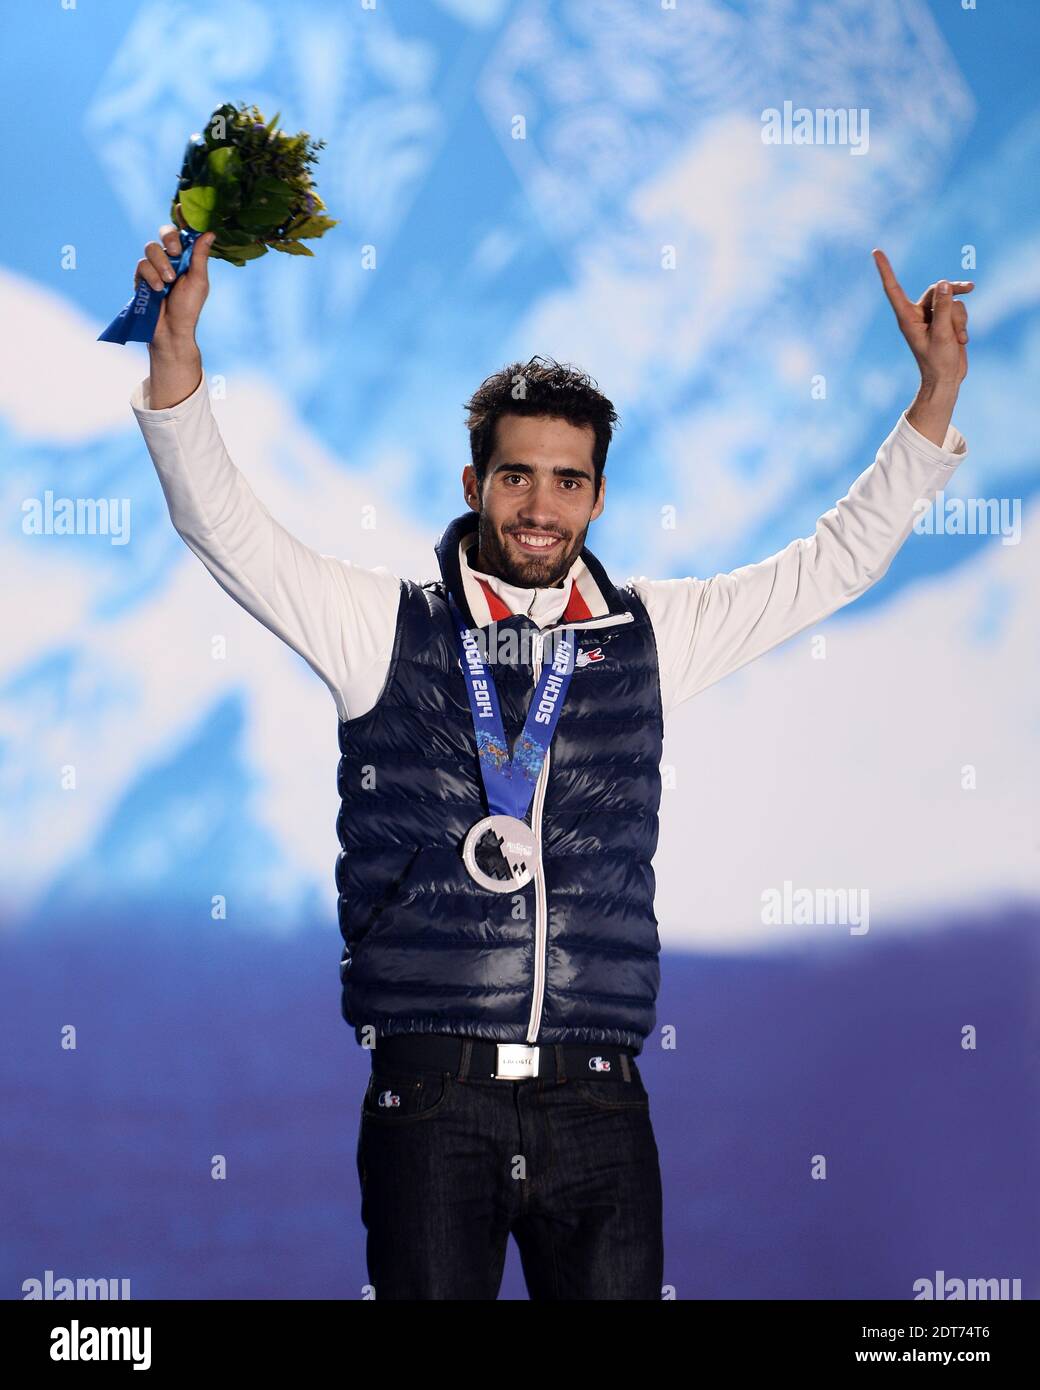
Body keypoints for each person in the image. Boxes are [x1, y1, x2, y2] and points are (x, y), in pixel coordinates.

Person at [129, 223, 971, 1300]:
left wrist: (934, 392)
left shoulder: (651, 634)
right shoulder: (379, 627)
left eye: (567, 481)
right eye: (517, 477)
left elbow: (835, 562)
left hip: (598, 1099)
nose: (539, 507)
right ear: (474, 479)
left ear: (598, 496)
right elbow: (221, 522)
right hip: (431, 1098)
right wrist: (177, 347)